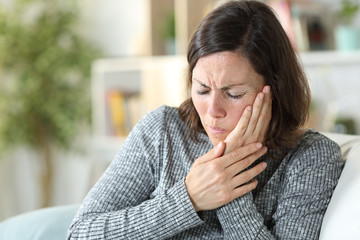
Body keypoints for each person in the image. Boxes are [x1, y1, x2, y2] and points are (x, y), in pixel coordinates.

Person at [68, 1, 344, 239]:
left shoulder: (310, 158)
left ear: (274, 90)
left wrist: (228, 187)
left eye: (233, 94)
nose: (212, 110)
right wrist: (188, 199)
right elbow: (80, 233)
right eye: (201, 89)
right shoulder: (162, 131)